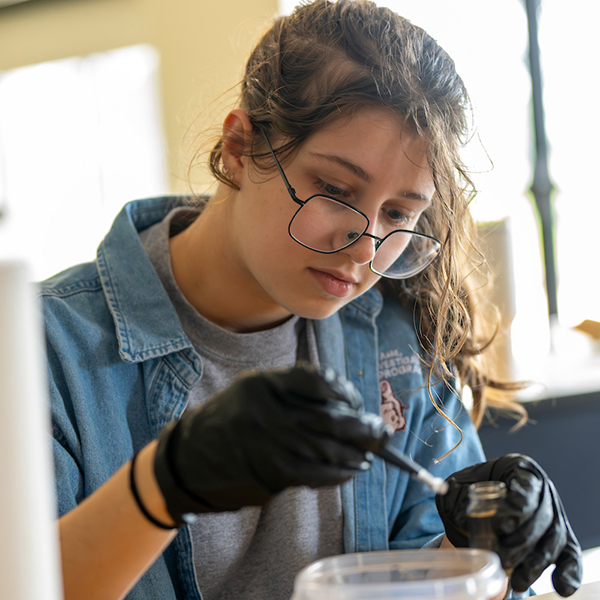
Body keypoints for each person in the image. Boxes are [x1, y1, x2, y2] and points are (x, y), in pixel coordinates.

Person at [41, 1, 582, 599]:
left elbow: (424, 582)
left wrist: (481, 553)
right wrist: (162, 486)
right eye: (333, 188)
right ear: (241, 149)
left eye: (399, 213)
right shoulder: (46, 353)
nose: (365, 247)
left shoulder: (396, 337)